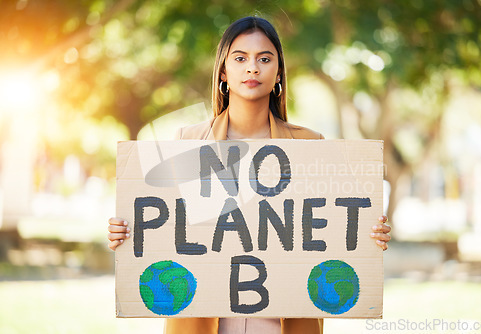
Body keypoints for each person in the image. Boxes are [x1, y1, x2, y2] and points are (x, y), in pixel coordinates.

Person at [108, 16, 391, 334]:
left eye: (264, 59)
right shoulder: (188, 142)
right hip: (205, 324)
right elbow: (170, 228)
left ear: (279, 73)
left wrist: (368, 235)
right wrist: (127, 232)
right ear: (224, 72)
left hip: (282, 324)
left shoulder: (310, 145)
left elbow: (332, 233)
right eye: (240, 58)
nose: (252, 68)